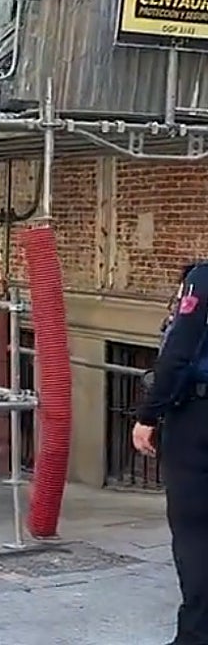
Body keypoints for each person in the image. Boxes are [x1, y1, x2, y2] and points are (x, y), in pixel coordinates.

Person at [134, 262, 208, 645]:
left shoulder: (203, 278)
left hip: (198, 416)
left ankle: (196, 636)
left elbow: (179, 351)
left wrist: (149, 413)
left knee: (195, 531)